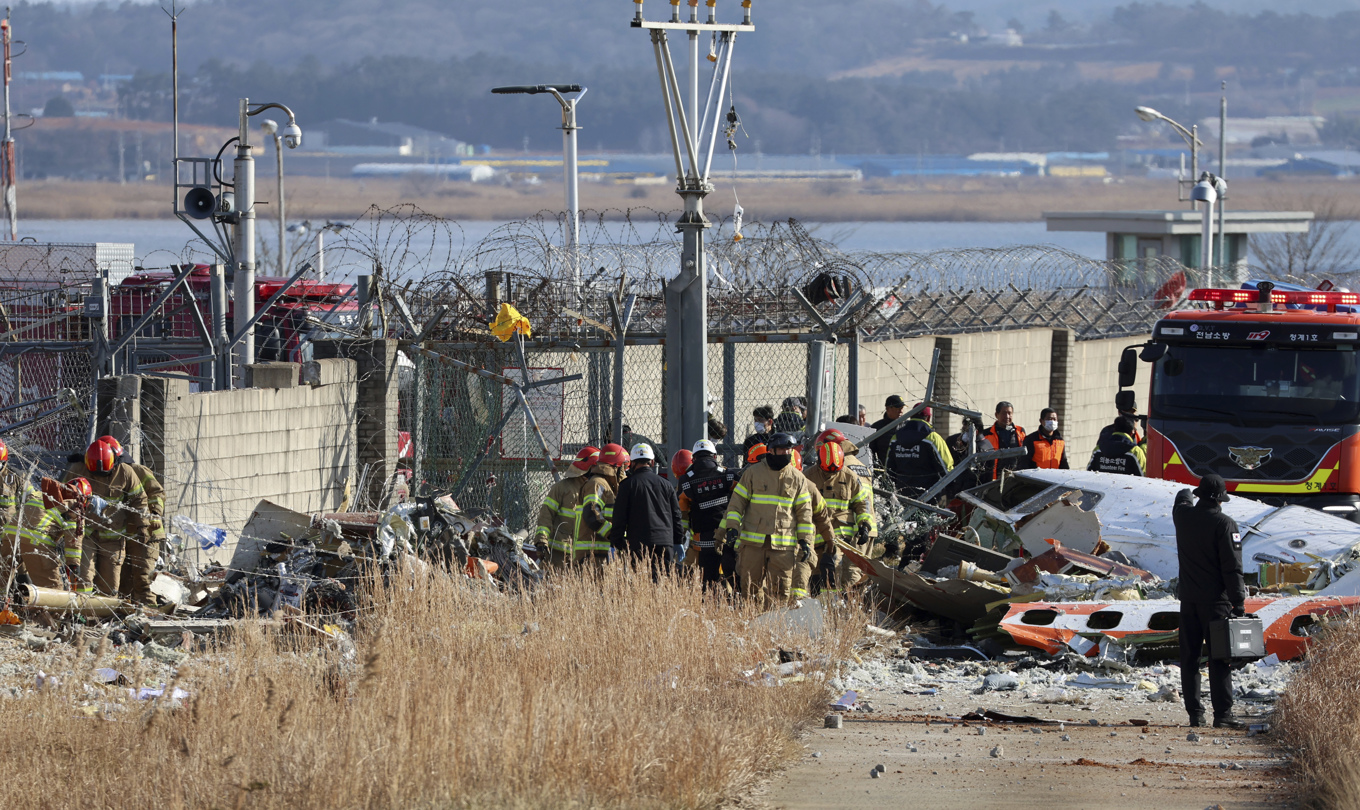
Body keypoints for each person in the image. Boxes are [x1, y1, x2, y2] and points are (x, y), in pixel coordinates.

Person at [1172, 474, 1247, 729]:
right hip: (1217, 603)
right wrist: (1239, 603)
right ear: (1220, 499)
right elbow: (1232, 568)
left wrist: (1188, 492)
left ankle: (1195, 714)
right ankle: (1223, 715)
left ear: (1200, 495)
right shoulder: (1225, 524)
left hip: (1188, 600)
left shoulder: (1182, 517)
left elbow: (1181, 499)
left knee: (1190, 658)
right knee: (1220, 659)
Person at [717, 433, 815, 607]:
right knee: (750, 589)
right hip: (753, 545)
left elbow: (805, 514)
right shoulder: (752, 474)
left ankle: (775, 627)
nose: (787, 453)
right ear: (771, 450)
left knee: (780, 592)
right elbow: (736, 505)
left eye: (789, 450)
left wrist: (805, 541)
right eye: (783, 449)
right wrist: (731, 528)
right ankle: (753, 626)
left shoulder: (798, 479)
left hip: (783, 547)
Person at [67, 438, 147, 597]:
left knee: (109, 587)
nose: (100, 477)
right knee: (83, 579)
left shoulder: (125, 472)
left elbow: (140, 500)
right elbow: (62, 496)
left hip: (113, 539)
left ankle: (104, 619)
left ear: (114, 463)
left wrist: (143, 526)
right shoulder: (77, 469)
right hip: (86, 535)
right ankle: (82, 616)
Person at [98, 436, 167, 604]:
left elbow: (157, 493)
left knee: (144, 580)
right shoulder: (109, 476)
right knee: (124, 584)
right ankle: (129, 621)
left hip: (147, 534)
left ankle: (151, 619)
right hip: (124, 535)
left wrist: (155, 514)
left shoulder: (137, 470)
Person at [801, 441, 873, 596]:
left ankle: (835, 605)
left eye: (835, 470)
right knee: (815, 571)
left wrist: (864, 525)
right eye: (827, 471)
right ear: (819, 462)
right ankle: (817, 604)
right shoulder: (808, 476)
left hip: (840, 533)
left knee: (833, 566)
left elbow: (862, 502)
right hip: (816, 533)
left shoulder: (849, 476)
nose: (831, 474)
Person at [0, 477, 90, 592]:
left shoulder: (42, 494)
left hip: (10, 536)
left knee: (3, 578)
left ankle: (2, 604)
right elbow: (73, 541)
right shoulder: (75, 508)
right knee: (52, 588)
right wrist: (73, 564)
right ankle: (49, 610)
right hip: (36, 541)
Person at [610, 443, 684, 575]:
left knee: (644, 582)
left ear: (632, 463)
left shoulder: (627, 485)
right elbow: (676, 515)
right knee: (664, 581)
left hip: (639, 544)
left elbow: (619, 517)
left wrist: (616, 543)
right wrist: (678, 541)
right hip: (665, 542)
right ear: (652, 461)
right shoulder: (666, 485)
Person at [676, 439, 738, 588]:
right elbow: (741, 499)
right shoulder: (729, 475)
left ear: (694, 458)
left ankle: (711, 603)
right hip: (728, 535)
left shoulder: (686, 480)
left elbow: (682, 510)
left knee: (709, 580)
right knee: (732, 574)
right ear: (715, 456)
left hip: (703, 538)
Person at [533, 447, 600, 570]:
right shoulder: (562, 488)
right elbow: (546, 515)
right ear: (589, 466)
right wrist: (542, 541)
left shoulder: (598, 489)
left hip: (586, 554)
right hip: (559, 554)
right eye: (597, 466)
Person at [884, 405, 954, 498]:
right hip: (928, 494)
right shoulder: (933, 438)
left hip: (902, 493)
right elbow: (946, 468)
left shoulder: (895, 438)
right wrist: (952, 489)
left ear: (911, 416)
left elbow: (888, 468)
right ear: (928, 418)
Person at [576, 444, 628, 568]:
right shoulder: (597, 484)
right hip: (591, 555)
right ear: (616, 467)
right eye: (624, 467)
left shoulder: (608, 487)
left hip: (602, 554)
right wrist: (613, 535)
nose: (625, 473)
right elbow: (591, 513)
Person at [982, 401, 1026, 480]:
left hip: (1016, 476)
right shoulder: (987, 434)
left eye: (1010, 413)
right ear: (996, 415)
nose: (1007, 416)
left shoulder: (1020, 431)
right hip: (994, 477)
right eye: (1004, 413)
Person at [869, 395, 906, 465]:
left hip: (904, 470)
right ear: (888, 409)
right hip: (885, 469)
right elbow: (870, 451)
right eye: (898, 408)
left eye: (902, 408)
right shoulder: (877, 427)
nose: (901, 411)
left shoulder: (906, 426)